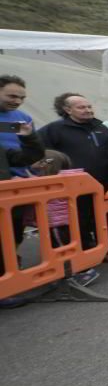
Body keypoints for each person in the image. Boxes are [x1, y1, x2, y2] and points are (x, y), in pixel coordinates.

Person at [38, 93, 108, 263]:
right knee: (79, 218)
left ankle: (105, 249)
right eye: (81, 107)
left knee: (103, 217)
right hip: (73, 186)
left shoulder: (101, 127)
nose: (88, 110)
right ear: (67, 109)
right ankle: (85, 251)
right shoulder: (54, 129)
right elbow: (39, 152)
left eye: (89, 106)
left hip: (102, 182)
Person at [27, 150, 100, 286]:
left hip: (56, 222)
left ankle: (76, 275)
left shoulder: (50, 181)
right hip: (67, 220)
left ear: (46, 163)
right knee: (69, 247)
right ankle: (82, 271)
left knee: (61, 250)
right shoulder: (68, 177)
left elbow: (32, 183)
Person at [0, 75, 38, 256]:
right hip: (4, 180)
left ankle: (11, 261)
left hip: (18, 185)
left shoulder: (23, 118)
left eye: (22, 98)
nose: (18, 101)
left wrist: (31, 172)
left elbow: (31, 151)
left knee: (15, 230)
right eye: (12, 96)